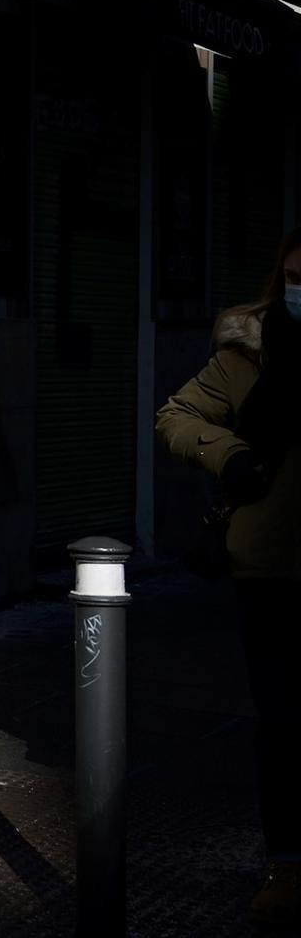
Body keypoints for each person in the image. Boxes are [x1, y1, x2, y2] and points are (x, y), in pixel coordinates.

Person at [156, 226, 301, 929]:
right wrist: (230, 454)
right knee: (280, 722)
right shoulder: (248, 349)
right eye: (296, 275)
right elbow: (176, 415)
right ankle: (288, 867)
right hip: (270, 566)